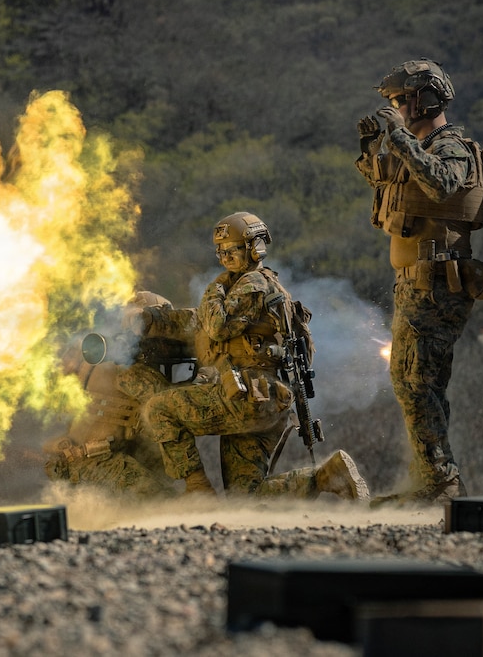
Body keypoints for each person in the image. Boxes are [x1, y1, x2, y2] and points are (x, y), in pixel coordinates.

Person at [138, 211, 368, 501]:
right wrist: (150, 320)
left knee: (158, 408)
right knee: (245, 496)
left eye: (233, 249)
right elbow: (199, 321)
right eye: (221, 251)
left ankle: (198, 492)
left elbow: (217, 326)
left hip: (247, 396)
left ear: (255, 248)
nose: (225, 257)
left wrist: (214, 287)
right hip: (265, 400)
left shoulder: (252, 284)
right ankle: (329, 476)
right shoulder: (253, 286)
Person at [355, 58, 483, 505]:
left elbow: (441, 184)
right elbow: (392, 183)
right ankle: (433, 477)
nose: (396, 109)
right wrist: (371, 148)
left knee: (418, 383)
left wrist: (396, 137)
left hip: (437, 283)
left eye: (401, 101)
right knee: (413, 381)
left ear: (426, 99)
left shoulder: (451, 145)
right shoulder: (418, 146)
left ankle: (441, 482)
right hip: (414, 283)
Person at [43, 292, 186, 498]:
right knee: (165, 503)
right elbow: (174, 408)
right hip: (94, 461)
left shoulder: (97, 353)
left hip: (91, 457)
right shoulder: (126, 367)